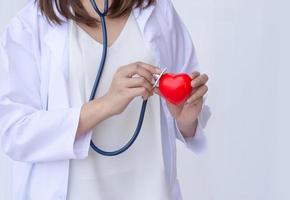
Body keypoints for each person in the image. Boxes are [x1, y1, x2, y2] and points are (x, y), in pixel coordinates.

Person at [0, 0, 210, 199]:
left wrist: (186, 120)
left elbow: (185, 112)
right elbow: (14, 131)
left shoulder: (157, 10)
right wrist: (105, 105)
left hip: (153, 191)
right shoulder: (30, 24)